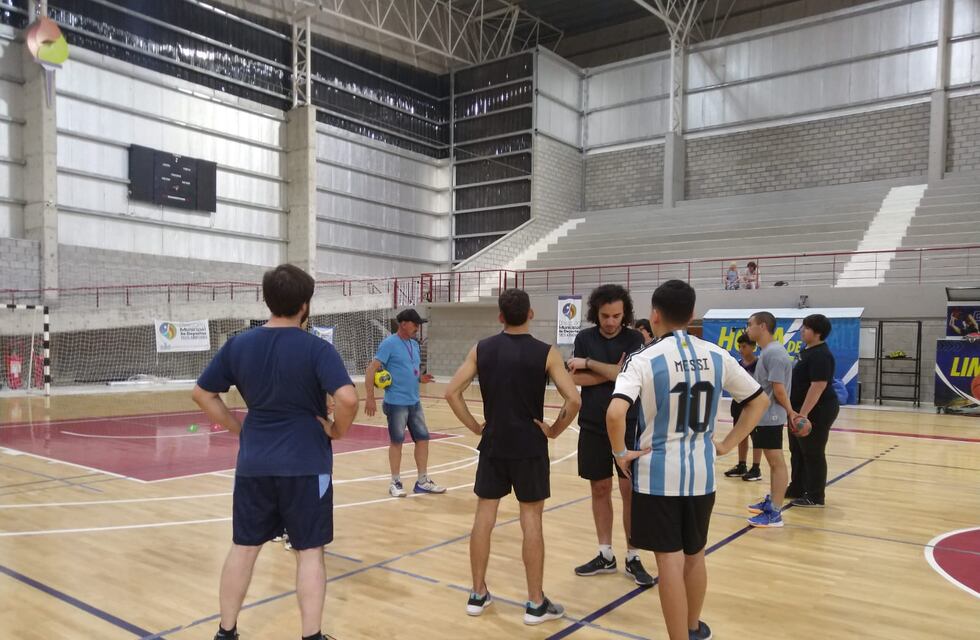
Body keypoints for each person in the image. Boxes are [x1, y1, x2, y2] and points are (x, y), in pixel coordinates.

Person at [192, 264, 359, 640]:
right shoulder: (317, 348)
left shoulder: (239, 344)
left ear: (267, 301)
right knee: (310, 552)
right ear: (305, 304)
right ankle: (311, 636)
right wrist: (336, 430)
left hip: (255, 464)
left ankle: (226, 631)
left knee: (244, 547)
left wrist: (240, 428)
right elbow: (348, 398)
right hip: (306, 464)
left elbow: (202, 394)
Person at [607, 279, 767, 640]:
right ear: (693, 314)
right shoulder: (717, 354)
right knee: (695, 555)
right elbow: (758, 401)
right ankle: (693, 628)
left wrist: (621, 455)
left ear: (655, 314)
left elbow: (615, 414)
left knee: (669, 561)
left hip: (657, 475)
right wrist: (725, 445)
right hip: (701, 474)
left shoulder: (643, 358)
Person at [444, 289, 581, 625]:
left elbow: (451, 392)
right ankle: (535, 603)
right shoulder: (546, 353)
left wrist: (476, 425)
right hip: (530, 447)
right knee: (531, 521)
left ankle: (477, 594)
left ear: (500, 316)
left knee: (483, 518)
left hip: (493, 444)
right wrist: (553, 430)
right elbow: (574, 400)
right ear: (530, 314)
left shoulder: (481, 349)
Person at [566, 284, 653, 586]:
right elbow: (574, 379)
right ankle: (605, 553)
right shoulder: (584, 337)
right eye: (605, 315)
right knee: (599, 489)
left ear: (624, 313)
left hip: (629, 425)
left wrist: (590, 364)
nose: (611, 321)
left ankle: (633, 555)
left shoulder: (635, 339)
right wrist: (611, 371)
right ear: (596, 314)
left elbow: (626, 376)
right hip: (591, 424)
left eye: (616, 315)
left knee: (630, 491)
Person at [365, 308, 445, 497]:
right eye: (415, 324)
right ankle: (395, 482)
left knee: (423, 439)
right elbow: (371, 369)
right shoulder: (389, 344)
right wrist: (369, 397)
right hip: (396, 402)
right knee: (397, 441)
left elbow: (409, 369)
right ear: (403, 324)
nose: (417, 327)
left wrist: (420, 378)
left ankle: (423, 481)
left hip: (414, 401)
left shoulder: (414, 344)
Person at [743, 311, 795, 527]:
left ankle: (775, 512)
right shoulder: (767, 352)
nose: (747, 329)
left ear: (762, 326)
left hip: (771, 416)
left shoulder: (774, 353)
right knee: (772, 462)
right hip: (764, 416)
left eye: (750, 324)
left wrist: (791, 413)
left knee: (776, 462)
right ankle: (773, 500)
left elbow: (779, 390)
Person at [788, 314, 840, 507]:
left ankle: (815, 496)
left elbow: (817, 386)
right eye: (803, 326)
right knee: (797, 450)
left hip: (817, 410)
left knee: (813, 452)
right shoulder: (807, 350)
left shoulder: (821, 355)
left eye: (807, 327)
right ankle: (797, 487)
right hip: (798, 409)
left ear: (817, 333)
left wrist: (803, 414)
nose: (802, 330)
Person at [723, 333, 762, 480]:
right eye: (739, 346)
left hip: (754, 405)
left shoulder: (760, 364)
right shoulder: (737, 365)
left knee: (756, 437)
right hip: (738, 404)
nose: (741, 349)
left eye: (744, 346)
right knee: (741, 435)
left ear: (753, 347)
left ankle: (756, 467)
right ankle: (741, 465)